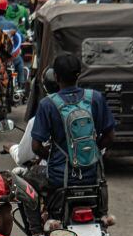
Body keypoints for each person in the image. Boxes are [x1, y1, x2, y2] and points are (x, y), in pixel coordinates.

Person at [31, 52, 115, 217]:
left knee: (28, 180)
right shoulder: (95, 98)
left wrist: (53, 157)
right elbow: (110, 136)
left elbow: (36, 146)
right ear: (79, 74)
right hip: (92, 175)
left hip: (59, 178)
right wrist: (92, 152)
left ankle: (36, 233)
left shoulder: (47, 104)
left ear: (55, 76)